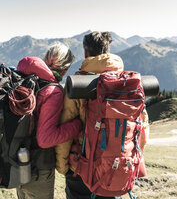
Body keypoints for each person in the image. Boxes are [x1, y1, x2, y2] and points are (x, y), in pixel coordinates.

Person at [55, 31, 149, 199]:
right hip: (117, 168)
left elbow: (66, 129)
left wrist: (63, 167)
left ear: (85, 52)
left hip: (81, 168)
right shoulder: (129, 84)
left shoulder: (79, 84)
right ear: (108, 50)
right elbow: (142, 127)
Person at [16, 43, 82, 199]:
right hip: (38, 169)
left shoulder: (23, 80)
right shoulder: (52, 91)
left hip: (17, 163)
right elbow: (45, 139)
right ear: (63, 67)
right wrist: (77, 125)